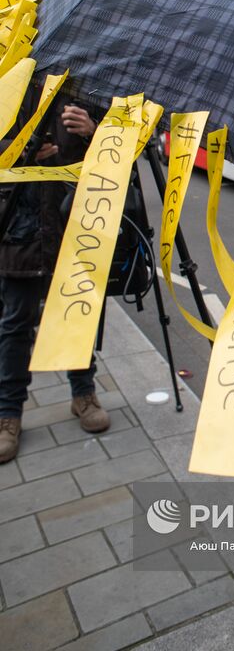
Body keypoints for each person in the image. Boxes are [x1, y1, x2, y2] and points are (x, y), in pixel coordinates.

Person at [0, 91, 111, 464]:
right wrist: (24, 152)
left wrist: (93, 131)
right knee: (16, 323)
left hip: (74, 223)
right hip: (21, 228)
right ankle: (7, 415)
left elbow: (123, 149)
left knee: (75, 313)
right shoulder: (9, 74)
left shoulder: (85, 81)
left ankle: (84, 394)